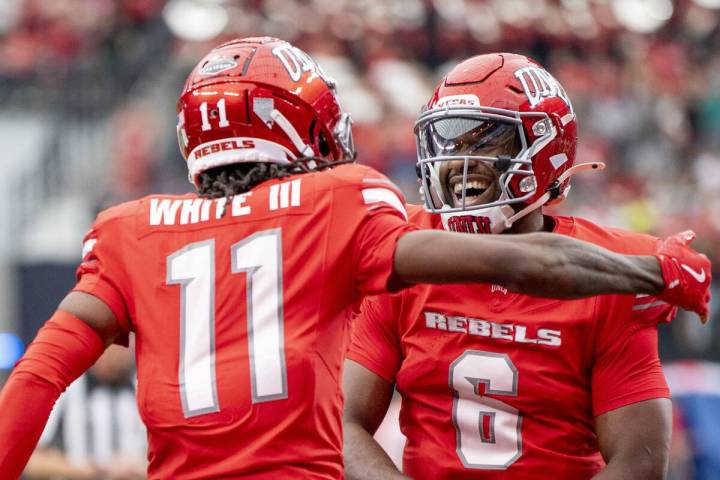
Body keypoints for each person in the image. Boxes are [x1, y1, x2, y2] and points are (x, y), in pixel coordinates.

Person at [0, 39, 710, 479]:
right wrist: (653, 267)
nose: (462, 169)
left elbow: (38, 375)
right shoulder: (338, 206)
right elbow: (533, 265)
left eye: (485, 148)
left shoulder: (131, 229)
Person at [343, 53, 712, 480]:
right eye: (451, 141)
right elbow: (343, 422)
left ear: (547, 153)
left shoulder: (607, 275)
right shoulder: (406, 250)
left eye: (487, 140)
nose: (460, 160)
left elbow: (640, 461)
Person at [24, 344, 146, 480]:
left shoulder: (146, 388)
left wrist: (141, 468)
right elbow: (31, 461)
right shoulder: (65, 389)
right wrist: (94, 470)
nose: (122, 350)